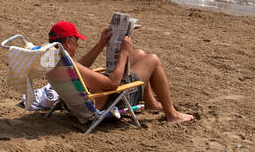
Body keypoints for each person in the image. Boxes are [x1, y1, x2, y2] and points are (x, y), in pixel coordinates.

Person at [46, 20, 194, 124]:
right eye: (76, 41)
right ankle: (172, 115)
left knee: (139, 54)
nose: (77, 45)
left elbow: (81, 65)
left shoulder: (53, 62)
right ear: (68, 42)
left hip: (80, 104)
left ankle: (151, 103)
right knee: (152, 60)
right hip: (107, 103)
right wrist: (123, 53)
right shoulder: (71, 67)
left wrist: (101, 44)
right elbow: (112, 83)